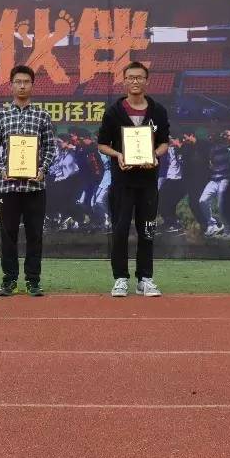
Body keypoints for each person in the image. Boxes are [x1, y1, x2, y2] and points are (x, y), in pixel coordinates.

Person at [97, 61, 170, 297]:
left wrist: (155, 155)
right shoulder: (114, 112)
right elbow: (102, 144)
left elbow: (164, 143)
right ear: (124, 81)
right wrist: (118, 154)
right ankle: (120, 278)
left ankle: (145, 279)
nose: (135, 81)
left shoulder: (158, 111)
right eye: (131, 77)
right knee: (120, 230)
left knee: (146, 230)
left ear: (147, 81)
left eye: (139, 77)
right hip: (122, 182)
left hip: (148, 181)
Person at [0, 64, 56, 297]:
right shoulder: (1, 115)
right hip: (8, 186)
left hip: (35, 186)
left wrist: (43, 169)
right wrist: (1, 169)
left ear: (32, 85)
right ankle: (9, 280)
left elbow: (50, 147)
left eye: (26, 82)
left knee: (35, 235)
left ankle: (33, 280)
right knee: (8, 236)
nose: (22, 85)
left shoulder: (42, 115)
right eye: (18, 82)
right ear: (11, 85)